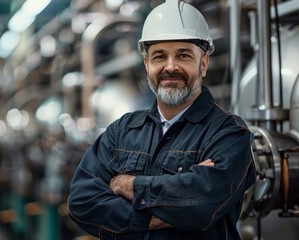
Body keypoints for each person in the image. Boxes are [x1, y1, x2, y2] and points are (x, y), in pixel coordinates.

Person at [67, 0, 256, 239]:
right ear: (146, 64)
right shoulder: (121, 130)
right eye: (159, 56)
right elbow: (81, 202)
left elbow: (202, 203)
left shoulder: (229, 134)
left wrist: (126, 184)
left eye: (183, 55)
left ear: (203, 64)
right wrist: (158, 214)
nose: (170, 66)